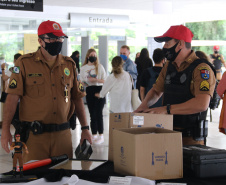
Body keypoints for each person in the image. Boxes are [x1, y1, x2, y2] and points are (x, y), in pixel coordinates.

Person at [1, 20, 92, 162]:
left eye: (60, 38)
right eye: (51, 38)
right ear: (40, 40)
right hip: (34, 138)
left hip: (62, 136)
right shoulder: (24, 63)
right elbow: (12, 98)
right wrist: (5, 129)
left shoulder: (69, 64)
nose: (57, 41)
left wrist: (85, 128)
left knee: (63, 177)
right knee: (34, 180)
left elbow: (77, 98)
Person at [135, 25, 216, 145]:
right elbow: (157, 91)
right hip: (168, 132)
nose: (164, 47)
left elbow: (202, 104)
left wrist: (167, 110)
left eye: (167, 43)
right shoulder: (169, 65)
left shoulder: (201, 69)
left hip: (191, 139)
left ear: (180, 44)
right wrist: (143, 105)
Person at [80, 48, 106, 145]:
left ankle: (101, 135)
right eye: (91, 55)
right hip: (90, 90)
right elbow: (82, 83)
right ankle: (94, 135)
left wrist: (96, 80)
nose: (93, 57)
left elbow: (104, 80)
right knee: (92, 114)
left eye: (95, 55)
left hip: (99, 89)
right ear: (88, 56)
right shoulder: (83, 68)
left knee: (99, 113)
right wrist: (87, 82)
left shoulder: (100, 67)